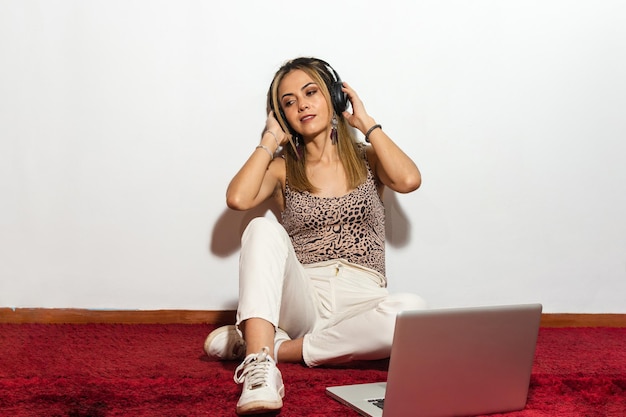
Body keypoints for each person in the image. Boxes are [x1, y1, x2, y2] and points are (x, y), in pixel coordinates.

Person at [204, 57, 427, 415]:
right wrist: (268, 139)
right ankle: (261, 369)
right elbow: (238, 199)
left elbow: (409, 180)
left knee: (412, 312)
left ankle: (273, 347)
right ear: (282, 115)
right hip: (305, 296)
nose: (302, 105)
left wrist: (366, 123)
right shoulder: (281, 167)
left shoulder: (369, 159)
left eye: (311, 92)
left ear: (335, 99)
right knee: (260, 226)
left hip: (362, 297)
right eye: (289, 101)